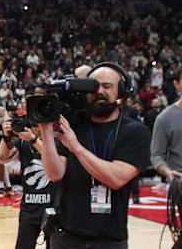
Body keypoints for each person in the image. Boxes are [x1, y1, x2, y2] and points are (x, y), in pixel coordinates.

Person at [39, 62, 151, 248]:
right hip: (66, 235)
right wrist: (46, 130)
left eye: (107, 86)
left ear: (121, 91)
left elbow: (117, 178)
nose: (100, 91)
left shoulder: (136, 132)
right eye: (94, 86)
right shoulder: (73, 125)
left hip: (109, 239)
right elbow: (55, 173)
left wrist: (77, 148)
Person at [0, 118, 52, 249]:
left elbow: (52, 159)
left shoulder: (56, 140)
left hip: (53, 208)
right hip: (29, 208)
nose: (37, 127)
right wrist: (6, 137)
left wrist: (34, 140)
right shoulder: (23, 142)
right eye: (34, 124)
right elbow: (2, 159)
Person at [151, 66, 182, 182]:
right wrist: (168, 171)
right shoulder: (165, 118)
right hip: (179, 184)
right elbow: (157, 155)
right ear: (176, 84)